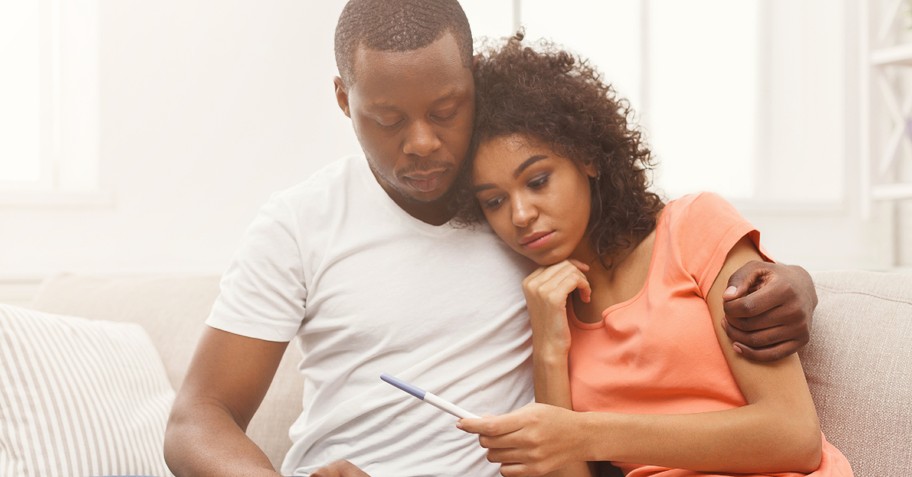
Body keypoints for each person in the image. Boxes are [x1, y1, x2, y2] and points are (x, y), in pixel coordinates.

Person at [163, 2, 821, 476]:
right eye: (387, 119)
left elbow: (656, 244)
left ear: (472, 86)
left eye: (446, 111)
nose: (422, 144)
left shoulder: (527, 226)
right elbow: (198, 418)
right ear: (344, 99)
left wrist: (794, 281)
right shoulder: (300, 224)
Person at [454, 35, 853, 477]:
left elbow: (792, 437)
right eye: (494, 202)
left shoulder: (693, 227)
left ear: (588, 158)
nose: (521, 215)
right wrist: (548, 346)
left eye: (537, 180)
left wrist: (585, 432)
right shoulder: (548, 305)